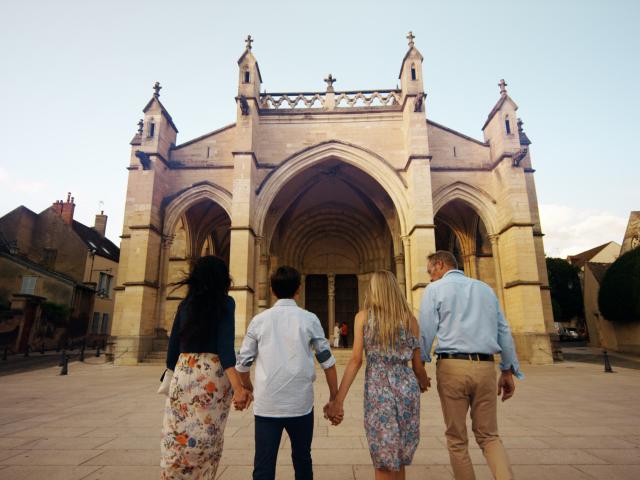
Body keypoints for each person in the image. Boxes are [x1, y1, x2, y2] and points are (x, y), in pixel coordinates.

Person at [419, 251, 522, 480]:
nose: (430, 278)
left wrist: (421, 366)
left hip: (452, 367)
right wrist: (507, 369)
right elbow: (503, 330)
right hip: (486, 368)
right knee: (489, 436)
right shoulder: (485, 289)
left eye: (430, 272)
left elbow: (425, 332)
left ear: (440, 265)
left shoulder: (435, 290)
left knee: (457, 439)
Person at [325, 271, 431, 480]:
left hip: (378, 391)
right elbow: (417, 365)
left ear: (373, 290)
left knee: (383, 457)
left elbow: (356, 360)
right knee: (399, 455)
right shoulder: (410, 319)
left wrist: (338, 400)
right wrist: (423, 381)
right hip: (407, 390)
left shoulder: (363, 317)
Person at [236, 266, 338, 480]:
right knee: (302, 460)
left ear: (272, 290)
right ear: (298, 290)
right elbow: (327, 362)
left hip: (267, 405)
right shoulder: (309, 319)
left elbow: (243, 364)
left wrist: (248, 387)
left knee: (263, 465)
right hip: (300, 404)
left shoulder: (259, 320)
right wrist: (334, 398)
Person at [161, 255, 252, 479]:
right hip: (211, 375)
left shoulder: (184, 305)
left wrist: (180, 373)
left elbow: (172, 353)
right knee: (207, 438)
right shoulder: (226, 302)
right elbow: (225, 348)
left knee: (177, 436)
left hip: (184, 370)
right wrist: (239, 388)